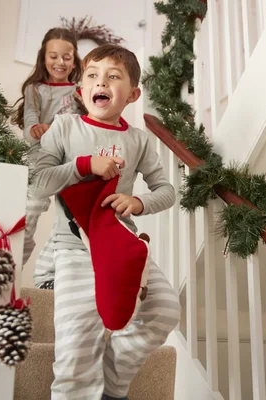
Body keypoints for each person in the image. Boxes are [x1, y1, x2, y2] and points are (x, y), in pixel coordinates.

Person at [32, 44, 181, 400]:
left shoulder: (139, 140)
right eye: (93, 76)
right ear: (80, 89)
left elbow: (167, 190)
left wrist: (138, 202)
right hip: (75, 249)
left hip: (121, 244)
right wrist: (84, 165)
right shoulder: (65, 127)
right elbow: (39, 180)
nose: (102, 82)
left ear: (132, 94)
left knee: (164, 310)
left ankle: (112, 387)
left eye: (113, 77)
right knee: (77, 346)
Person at [11, 27, 85, 285]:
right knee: (29, 213)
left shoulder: (79, 90)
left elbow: (86, 126)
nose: (60, 62)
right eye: (54, 56)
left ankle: (51, 278)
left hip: (69, 160)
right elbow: (30, 129)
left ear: (74, 60)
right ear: (44, 57)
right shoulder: (35, 89)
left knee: (70, 220)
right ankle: (10, 276)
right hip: (41, 158)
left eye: (67, 57)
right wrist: (37, 130)